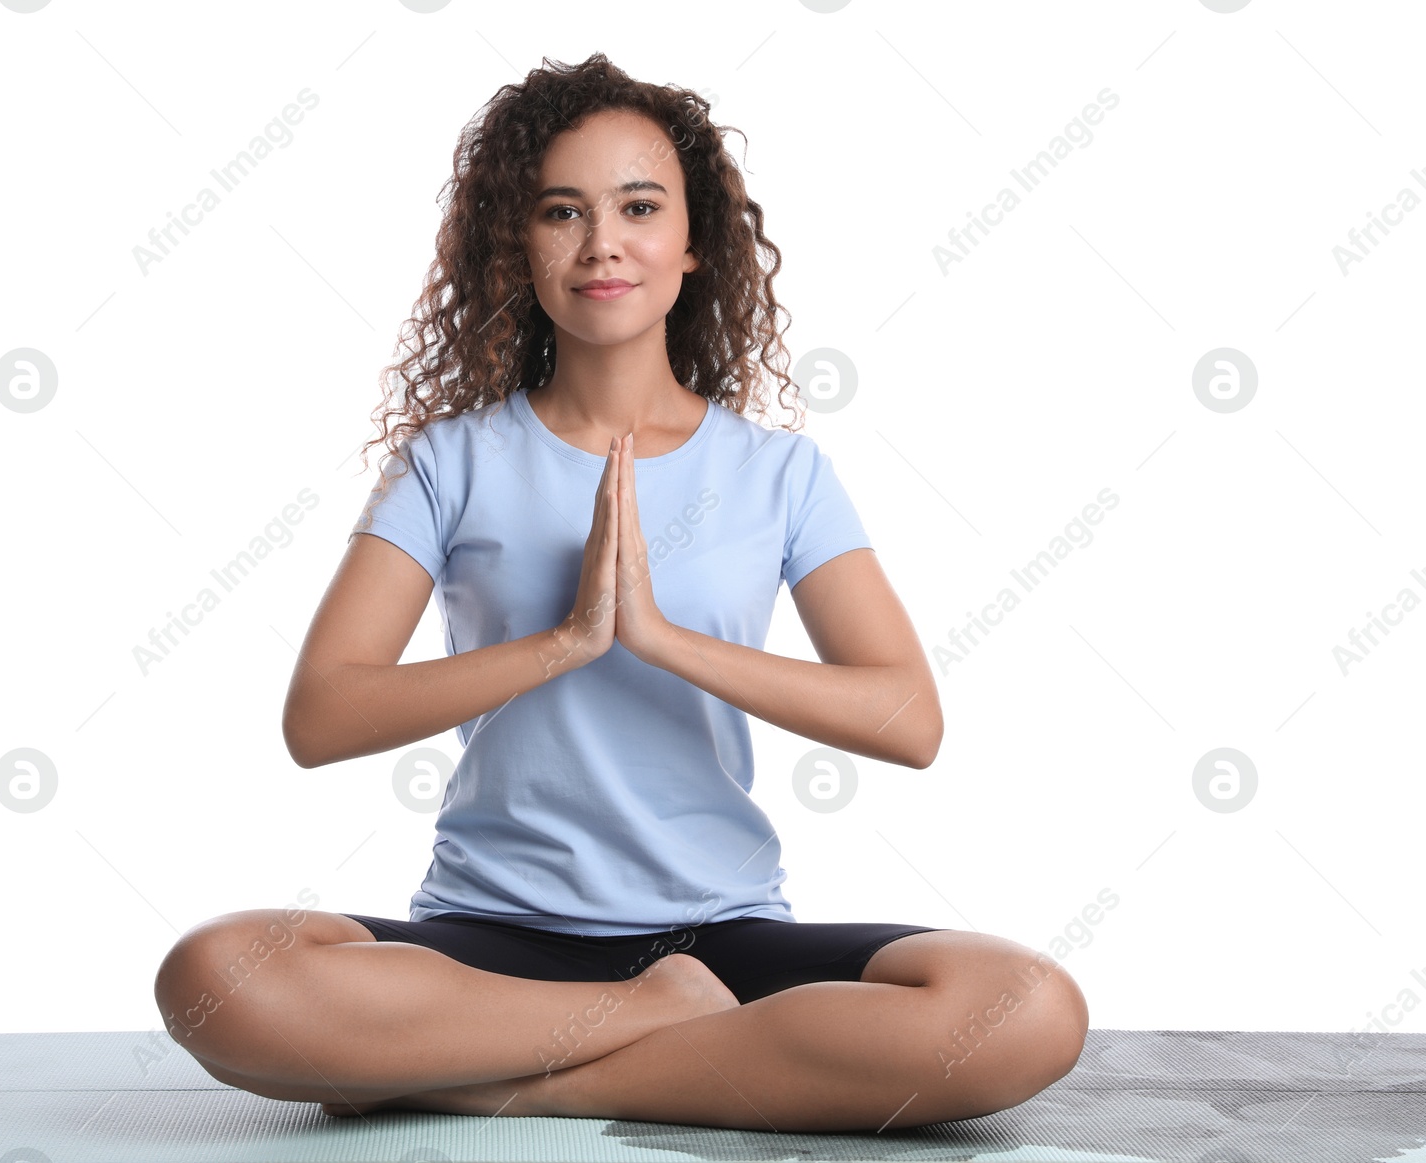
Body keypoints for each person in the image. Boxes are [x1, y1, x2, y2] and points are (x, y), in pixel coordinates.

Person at [153, 52, 1088, 1133]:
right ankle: (650, 1022)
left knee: (1023, 1007)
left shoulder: (780, 473)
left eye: (638, 207)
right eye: (563, 211)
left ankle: (482, 1073)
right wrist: (565, 640)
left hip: (718, 932)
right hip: (486, 936)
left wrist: (657, 637)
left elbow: (907, 718)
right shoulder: (446, 462)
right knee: (215, 972)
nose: (602, 243)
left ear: (692, 245)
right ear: (522, 243)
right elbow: (321, 715)